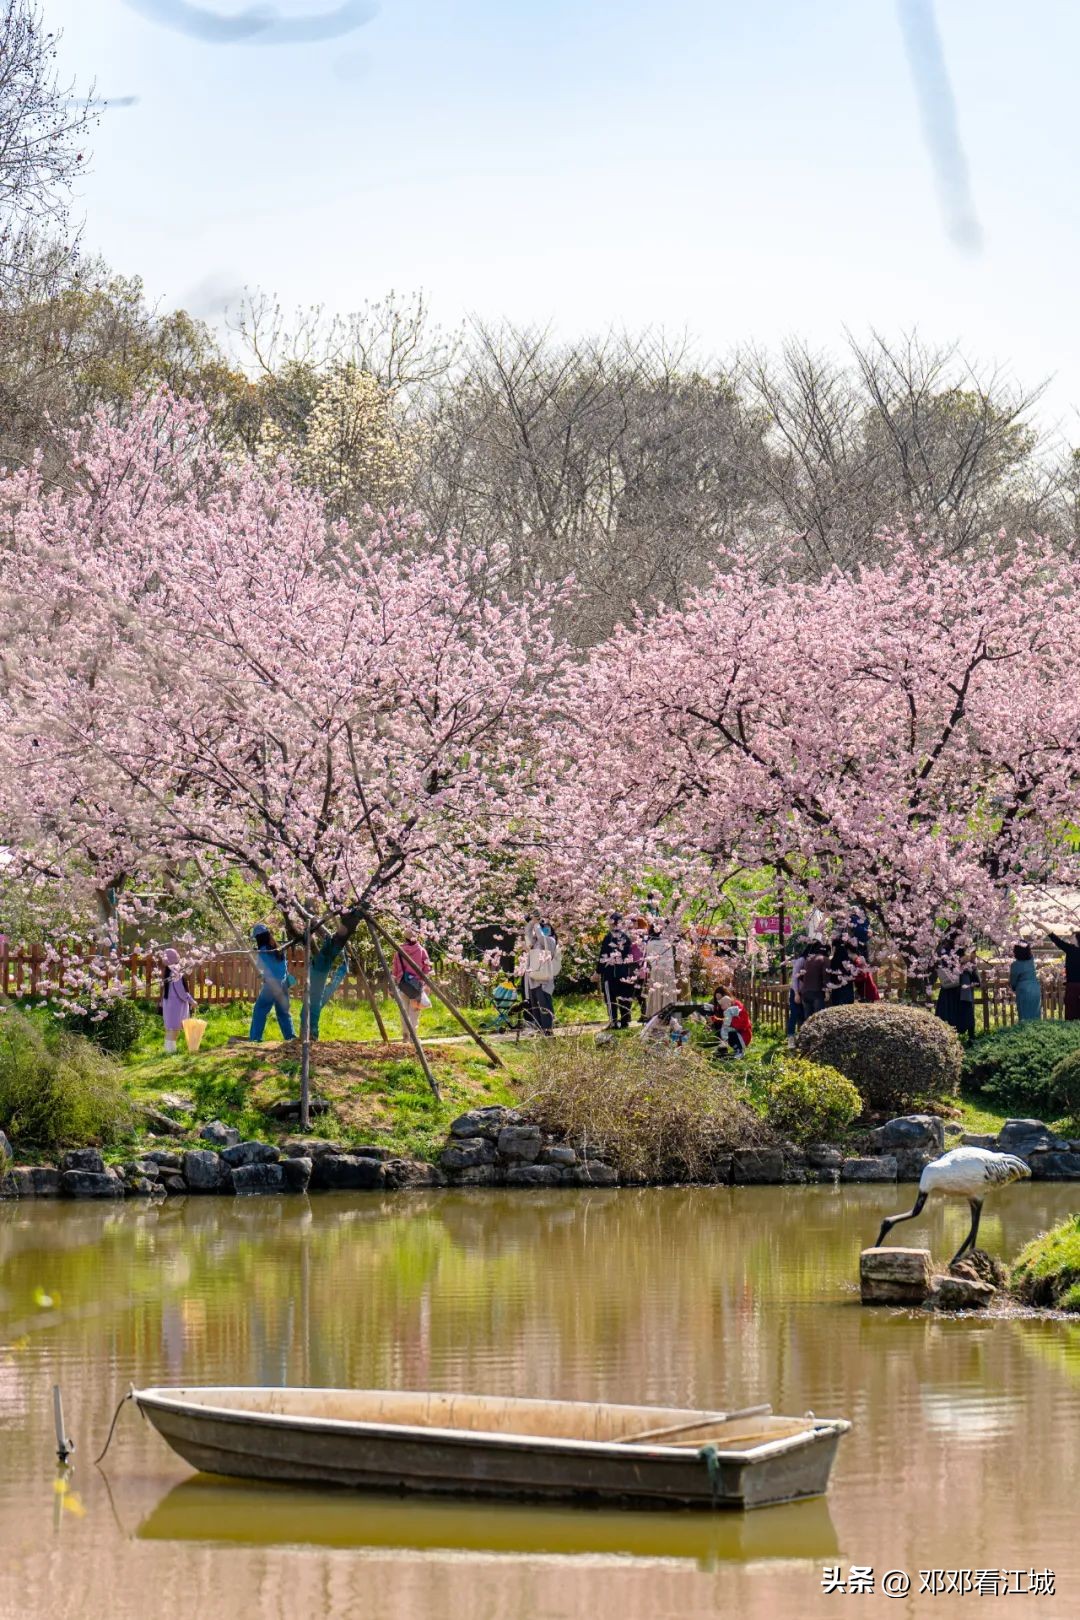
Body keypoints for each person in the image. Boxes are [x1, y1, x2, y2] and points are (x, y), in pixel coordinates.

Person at [249, 925, 296, 1042]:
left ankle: (255, 1038)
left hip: (271, 986)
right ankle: (290, 1037)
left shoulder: (263, 950)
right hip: (283, 983)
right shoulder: (278, 948)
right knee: (283, 1012)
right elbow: (281, 967)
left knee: (260, 1010)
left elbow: (260, 966)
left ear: (259, 938)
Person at [596, 913, 637, 1030]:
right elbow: (628, 956)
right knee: (624, 997)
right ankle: (625, 1021)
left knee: (610, 998)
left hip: (610, 973)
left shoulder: (608, 937)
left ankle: (613, 1021)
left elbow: (603, 956)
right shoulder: (626, 937)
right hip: (623, 973)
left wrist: (598, 971)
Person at [521, 919, 561, 1035]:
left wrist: (538, 925)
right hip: (533, 979)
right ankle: (539, 1030)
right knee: (535, 1006)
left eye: (546, 927)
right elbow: (528, 933)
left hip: (544, 981)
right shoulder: (535, 942)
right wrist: (532, 922)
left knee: (545, 1006)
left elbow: (542, 937)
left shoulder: (551, 941)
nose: (544, 928)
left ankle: (548, 1031)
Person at [391, 926, 431, 1039]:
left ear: (405, 937)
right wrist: (426, 985)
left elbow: (395, 970)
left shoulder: (398, 952)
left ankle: (405, 1033)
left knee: (404, 1010)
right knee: (414, 1011)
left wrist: (394, 983)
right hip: (416, 985)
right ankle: (413, 1036)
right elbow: (427, 970)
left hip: (402, 985)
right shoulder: (422, 951)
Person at [160, 947, 196, 1054]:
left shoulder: (167, 972)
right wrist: (191, 1001)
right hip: (176, 1006)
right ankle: (171, 1052)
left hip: (168, 1005)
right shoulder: (176, 973)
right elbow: (181, 991)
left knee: (170, 1029)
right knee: (174, 1030)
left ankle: (168, 1051)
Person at [643, 922, 677, 1017]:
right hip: (669, 971)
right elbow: (671, 959)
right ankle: (670, 1015)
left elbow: (649, 959)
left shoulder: (650, 943)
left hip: (657, 970)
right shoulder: (668, 942)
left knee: (657, 993)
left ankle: (655, 1014)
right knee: (668, 993)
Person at [1047, 929, 1080, 1021]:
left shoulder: (1070, 949)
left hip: (1072, 986)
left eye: (1073, 936)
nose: (1070, 938)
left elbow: (1057, 940)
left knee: (1071, 1012)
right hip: (1072, 984)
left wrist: (1043, 928)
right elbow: (1057, 940)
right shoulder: (1070, 948)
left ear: (1077, 939)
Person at [1009, 941, 1042, 1022]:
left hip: (1023, 990)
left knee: (1025, 1015)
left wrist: (1013, 987)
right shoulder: (1031, 961)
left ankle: (1025, 1033)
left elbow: (1013, 981)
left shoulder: (1015, 965)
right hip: (1035, 988)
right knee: (1035, 1014)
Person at [713, 991, 752, 1057]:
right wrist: (716, 1020)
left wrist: (728, 1024)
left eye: (720, 998)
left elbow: (741, 1023)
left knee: (727, 1032)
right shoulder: (726, 1009)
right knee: (722, 1030)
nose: (719, 1001)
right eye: (717, 999)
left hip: (743, 1034)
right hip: (737, 1031)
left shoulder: (735, 1007)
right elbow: (726, 1021)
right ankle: (724, 1049)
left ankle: (740, 1051)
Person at [799, 941, 828, 1018]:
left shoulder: (808, 960)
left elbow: (800, 976)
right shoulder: (824, 959)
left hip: (805, 993)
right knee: (818, 1018)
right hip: (817, 992)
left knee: (808, 1019)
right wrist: (827, 991)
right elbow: (826, 976)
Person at [786, 947, 807, 1047]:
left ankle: (802, 1038)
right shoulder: (801, 961)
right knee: (794, 1014)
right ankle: (790, 1038)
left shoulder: (809, 961)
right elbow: (794, 979)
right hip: (796, 991)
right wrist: (796, 994)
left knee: (803, 1015)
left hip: (806, 992)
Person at [827, 939, 856, 1006]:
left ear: (834, 947)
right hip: (849, 991)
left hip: (837, 992)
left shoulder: (833, 961)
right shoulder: (849, 959)